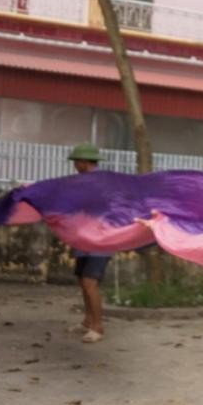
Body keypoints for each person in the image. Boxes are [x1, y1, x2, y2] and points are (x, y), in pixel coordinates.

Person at [67, 143, 111, 344]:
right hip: (84, 240)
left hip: (100, 241)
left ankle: (97, 327)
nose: (75, 165)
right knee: (82, 281)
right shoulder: (82, 181)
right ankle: (87, 321)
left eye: (77, 162)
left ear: (84, 162)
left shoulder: (101, 182)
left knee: (89, 282)